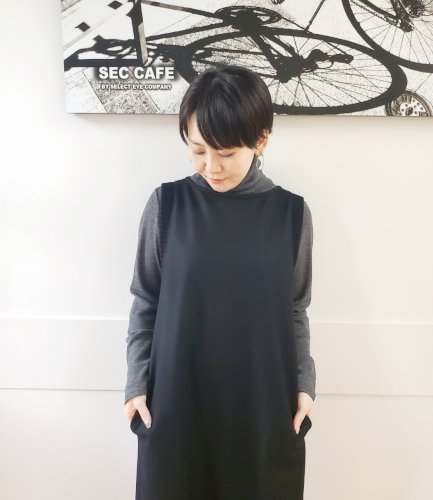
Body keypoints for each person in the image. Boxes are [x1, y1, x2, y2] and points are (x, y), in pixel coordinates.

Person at [124, 64, 316, 499]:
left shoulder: (291, 215)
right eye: (197, 150)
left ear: (261, 140)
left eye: (226, 153)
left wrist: (305, 385)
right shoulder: (167, 205)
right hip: (176, 401)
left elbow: (295, 308)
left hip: (263, 404)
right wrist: (136, 384)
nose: (211, 166)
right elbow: (146, 300)